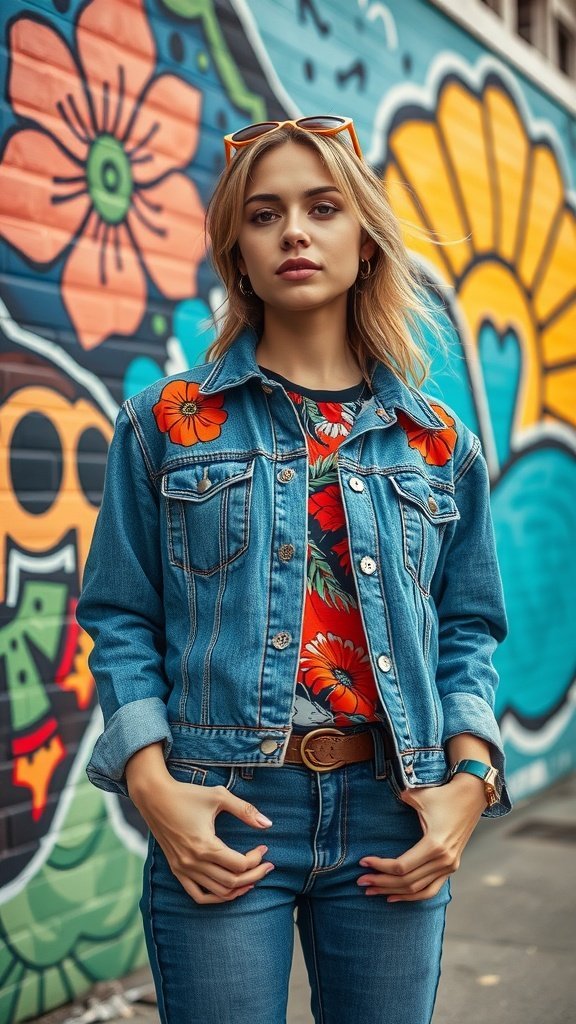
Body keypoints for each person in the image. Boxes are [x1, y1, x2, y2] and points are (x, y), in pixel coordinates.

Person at [76, 116, 512, 1024]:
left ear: (366, 241)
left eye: (323, 208)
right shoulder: (167, 422)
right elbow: (119, 616)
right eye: (265, 214)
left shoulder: (438, 445)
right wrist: (155, 789)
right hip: (225, 806)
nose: (296, 233)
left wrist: (468, 785)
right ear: (238, 249)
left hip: (398, 807)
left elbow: (466, 630)